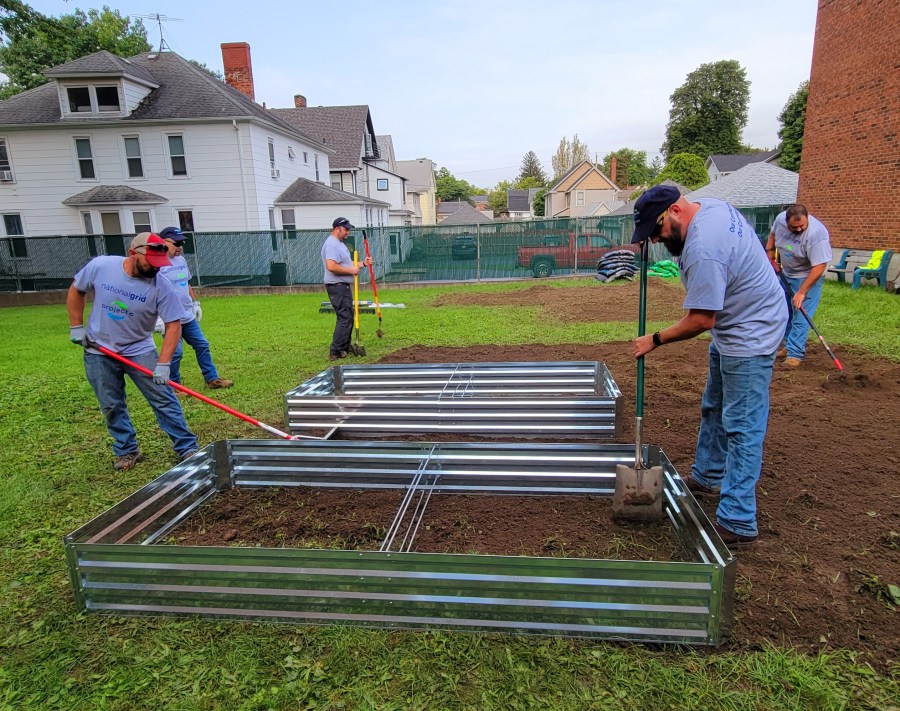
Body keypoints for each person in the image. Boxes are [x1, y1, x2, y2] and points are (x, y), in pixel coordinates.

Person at [630, 185, 788, 548]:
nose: (654, 241)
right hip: (736, 322)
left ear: (674, 211)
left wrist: (653, 339)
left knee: (742, 425)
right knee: (714, 405)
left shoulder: (704, 250)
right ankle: (707, 475)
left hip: (751, 332)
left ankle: (738, 519)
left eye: (656, 232)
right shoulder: (710, 206)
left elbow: (701, 320)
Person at [67, 233, 199, 471]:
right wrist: (76, 326)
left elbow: (173, 324)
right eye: (150, 263)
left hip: (139, 348)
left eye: (160, 265)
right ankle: (127, 450)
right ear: (132, 253)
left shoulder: (161, 285)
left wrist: (164, 363)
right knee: (111, 403)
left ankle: (186, 447)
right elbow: (77, 290)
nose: (155, 270)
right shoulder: (101, 267)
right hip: (99, 349)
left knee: (163, 399)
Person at [156, 226, 233, 389]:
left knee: (202, 345)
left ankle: (211, 379)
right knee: (175, 353)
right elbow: (151, 291)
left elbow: (187, 283)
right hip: (169, 318)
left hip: (187, 315)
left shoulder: (181, 261)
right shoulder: (156, 265)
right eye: (176, 243)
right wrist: (157, 317)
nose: (180, 247)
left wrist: (195, 302)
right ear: (163, 242)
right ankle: (173, 386)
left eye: (181, 243)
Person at [765, 204, 832, 368]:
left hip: (807, 277)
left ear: (807, 217)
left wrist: (802, 292)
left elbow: (820, 266)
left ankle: (795, 353)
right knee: (784, 311)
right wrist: (769, 253)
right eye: (794, 227)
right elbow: (773, 234)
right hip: (787, 272)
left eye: (802, 225)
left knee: (801, 314)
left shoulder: (817, 235)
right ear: (786, 221)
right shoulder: (780, 219)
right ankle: (787, 346)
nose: (799, 229)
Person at [321, 217, 371, 361]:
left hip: (342, 285)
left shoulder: (339, 244)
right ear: (337, 229)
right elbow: (331, 266)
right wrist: (351, 272)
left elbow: (348, 265)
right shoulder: (331, 245)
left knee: (348, 316)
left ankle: (344, 346)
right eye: (346, 229)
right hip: (337, 286)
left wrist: (363, 264)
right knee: (344, 318)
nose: (348, 232)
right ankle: (335, 351)